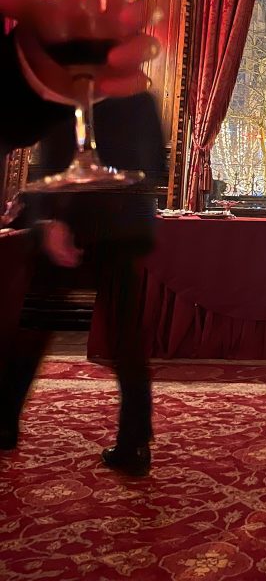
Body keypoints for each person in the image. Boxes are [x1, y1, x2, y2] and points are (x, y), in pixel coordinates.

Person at [0, 90, 166, 476]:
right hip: (116, 227)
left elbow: (57, 163)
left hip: (89, 226)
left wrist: (54, 219)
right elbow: (152, 165)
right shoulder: (134, 96)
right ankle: (135, 441)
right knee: (118, 336)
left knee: (38, 325)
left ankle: (5, 422)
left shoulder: (69, 92)